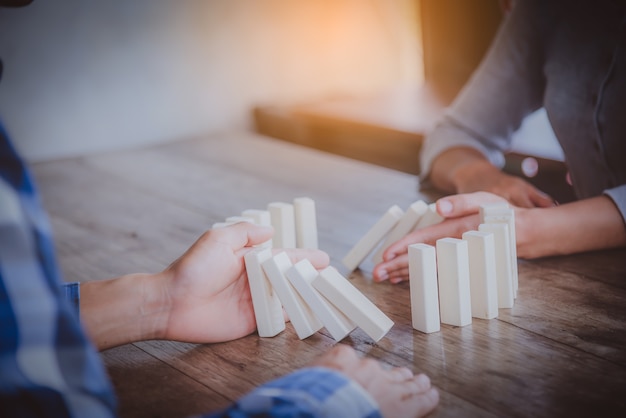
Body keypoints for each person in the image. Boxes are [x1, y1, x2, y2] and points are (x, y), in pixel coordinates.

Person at [373, 0, 626, 284]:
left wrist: (529, 228)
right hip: (589, 280)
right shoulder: (546, 10)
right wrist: (479, 176)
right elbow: (454, 134)